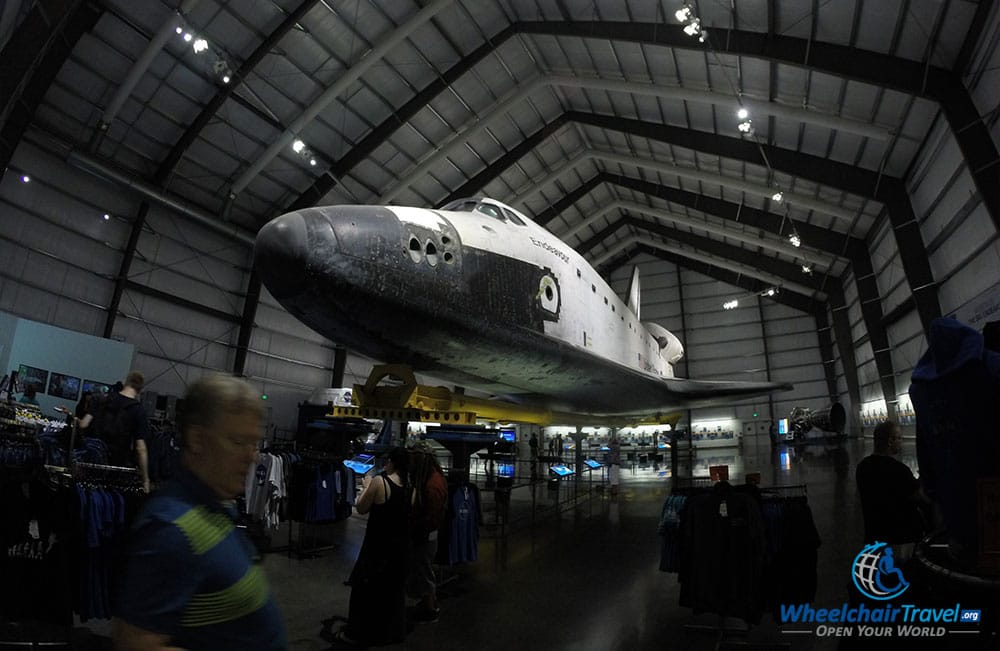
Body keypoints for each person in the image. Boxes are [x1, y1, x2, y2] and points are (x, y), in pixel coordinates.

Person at [113, 374, 286, 650]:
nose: (252, 456)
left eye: (254, 444)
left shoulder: (214, 506)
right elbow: (136, 645)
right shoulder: (171, 529)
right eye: (238, 441)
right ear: (197, 439)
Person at [909, 316, 1000, 564]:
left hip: (958, 514)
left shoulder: (922, 390)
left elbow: (924, 451)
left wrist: (934, 492)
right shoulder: (990, 370)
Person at [335, 447, 409, 646]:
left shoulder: (380, 482)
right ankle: (389, 632)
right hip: (398, 548)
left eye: (387, 460)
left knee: (364, 592)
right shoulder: (410, 486)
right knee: (391, 593)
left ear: (392, 462)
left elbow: (361, 507)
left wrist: (366, 486)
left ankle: (357, 633)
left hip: (376, 546)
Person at [856, 420, 927, 551]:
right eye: (899, 438)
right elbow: (919, 497)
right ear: (890, 441)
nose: (901, 441)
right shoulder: (899, 469)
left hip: (875, 537)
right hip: (900, 539)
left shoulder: (862, 467)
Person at [79, 371, 150, 492]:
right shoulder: (138, 411)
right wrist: (145, 479)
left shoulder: (102, 399)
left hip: (92, 458)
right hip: (117, 466)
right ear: (140, 390)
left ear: (124, 383)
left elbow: (83, 424)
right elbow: (140, 448)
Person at [406, 444, 447, 623]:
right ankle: (427, 604)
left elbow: (431, 516)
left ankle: (430, 610)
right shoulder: (435, 478)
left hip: (425, 536)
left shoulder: (431, 485)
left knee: (424, 572)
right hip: (428, 534)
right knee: (424, 570)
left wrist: (414, 527)